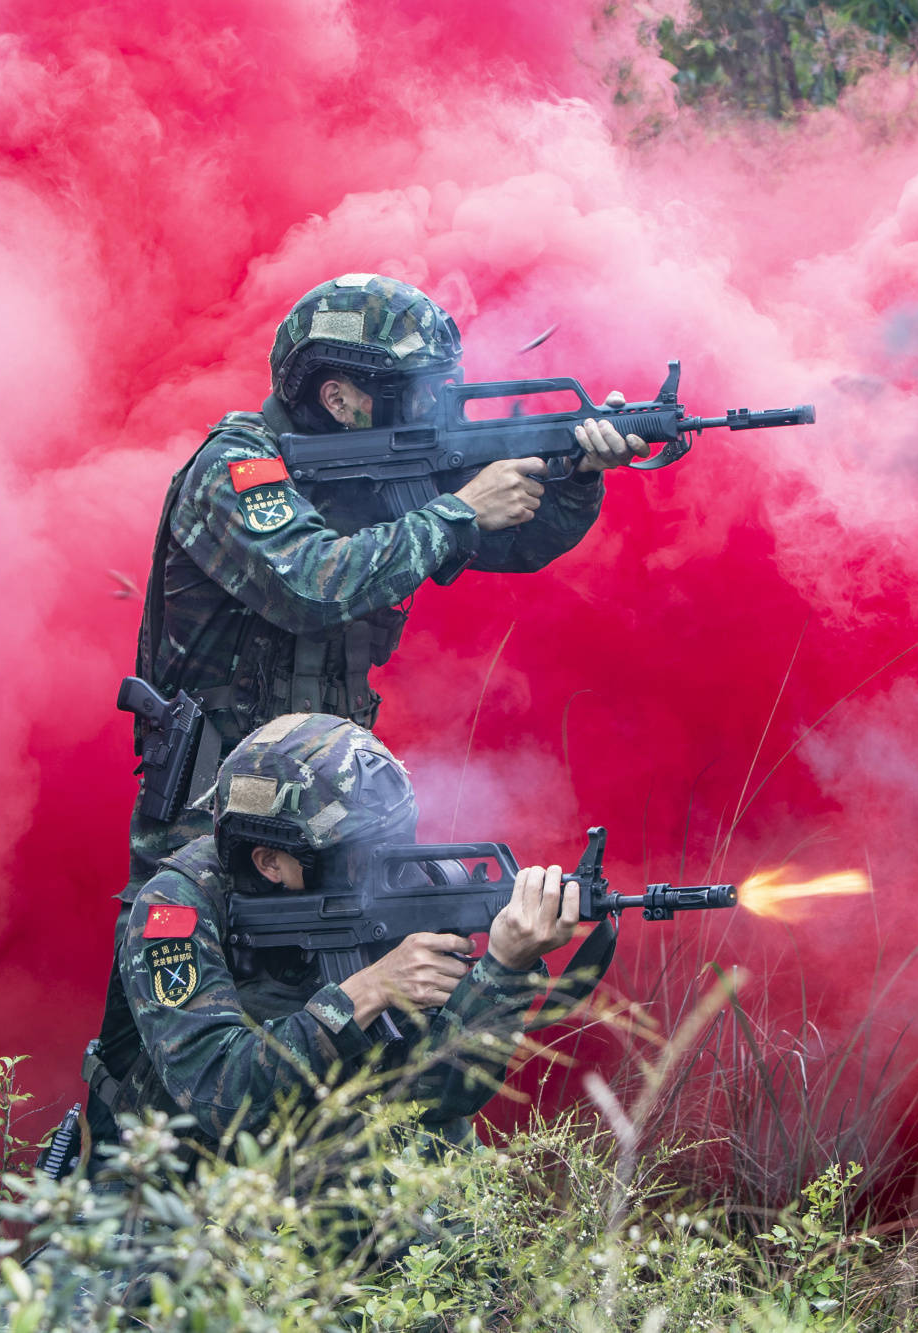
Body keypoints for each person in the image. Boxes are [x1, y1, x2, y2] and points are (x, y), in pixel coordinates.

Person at [86, 273, 644, 1115]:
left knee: (363, 1010)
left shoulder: (376, 477)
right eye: (410, 391)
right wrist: (456, 512)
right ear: (340, 395)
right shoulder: (235, 469)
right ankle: (118, 1180)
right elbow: (311, 581)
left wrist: (575, 473)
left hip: (333, 800)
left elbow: (517, 541)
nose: (432, 409)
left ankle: (344, 1200)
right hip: (223, 798)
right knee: (177, 1040)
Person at [95, 712, 581, 1152]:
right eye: (356, 853)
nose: (380, 866)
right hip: (197, 1183)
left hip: (326, 1167)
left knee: (444, 1161)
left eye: (389, 842)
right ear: (271, 862)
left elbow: (436, 1098)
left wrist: (503, 971)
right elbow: (223, 1094)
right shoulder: (177, 909)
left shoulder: (386, 897)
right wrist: (368, 991)